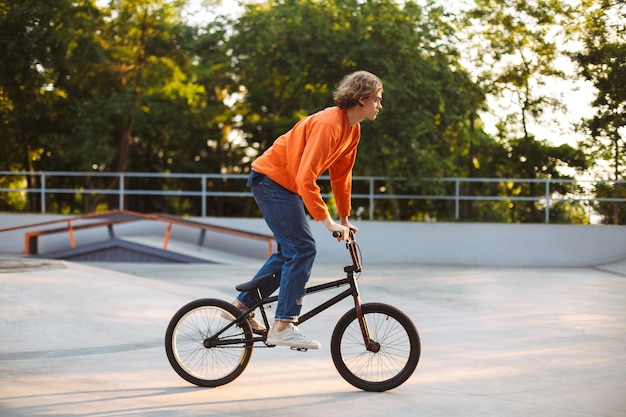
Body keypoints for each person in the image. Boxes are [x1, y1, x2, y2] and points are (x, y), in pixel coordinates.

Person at [233, 70, 383, 350]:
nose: (379, 105)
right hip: (271, 181)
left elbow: (342, 176)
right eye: (377, 99)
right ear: (361, 99)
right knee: (302, 249)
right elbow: (306, 177)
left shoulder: (353, 129)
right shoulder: (330, 125)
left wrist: (344, 219)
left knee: (289, 251)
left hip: (283, 185)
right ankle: (283, 325)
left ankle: (242, 306)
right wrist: (327, 222)